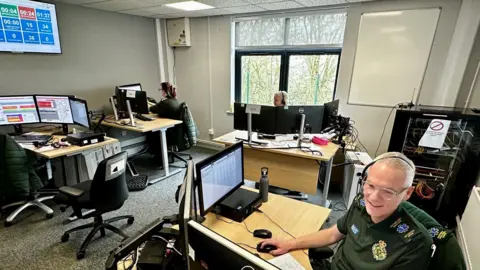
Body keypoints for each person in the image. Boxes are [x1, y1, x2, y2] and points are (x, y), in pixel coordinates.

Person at [260, 152, 433, 269]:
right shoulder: (360, 203)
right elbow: (333, 234)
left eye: (387, 192)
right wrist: (289, 244)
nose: (372, 197)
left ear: (407, 193)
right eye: (370, 185)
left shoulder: (415, 242)